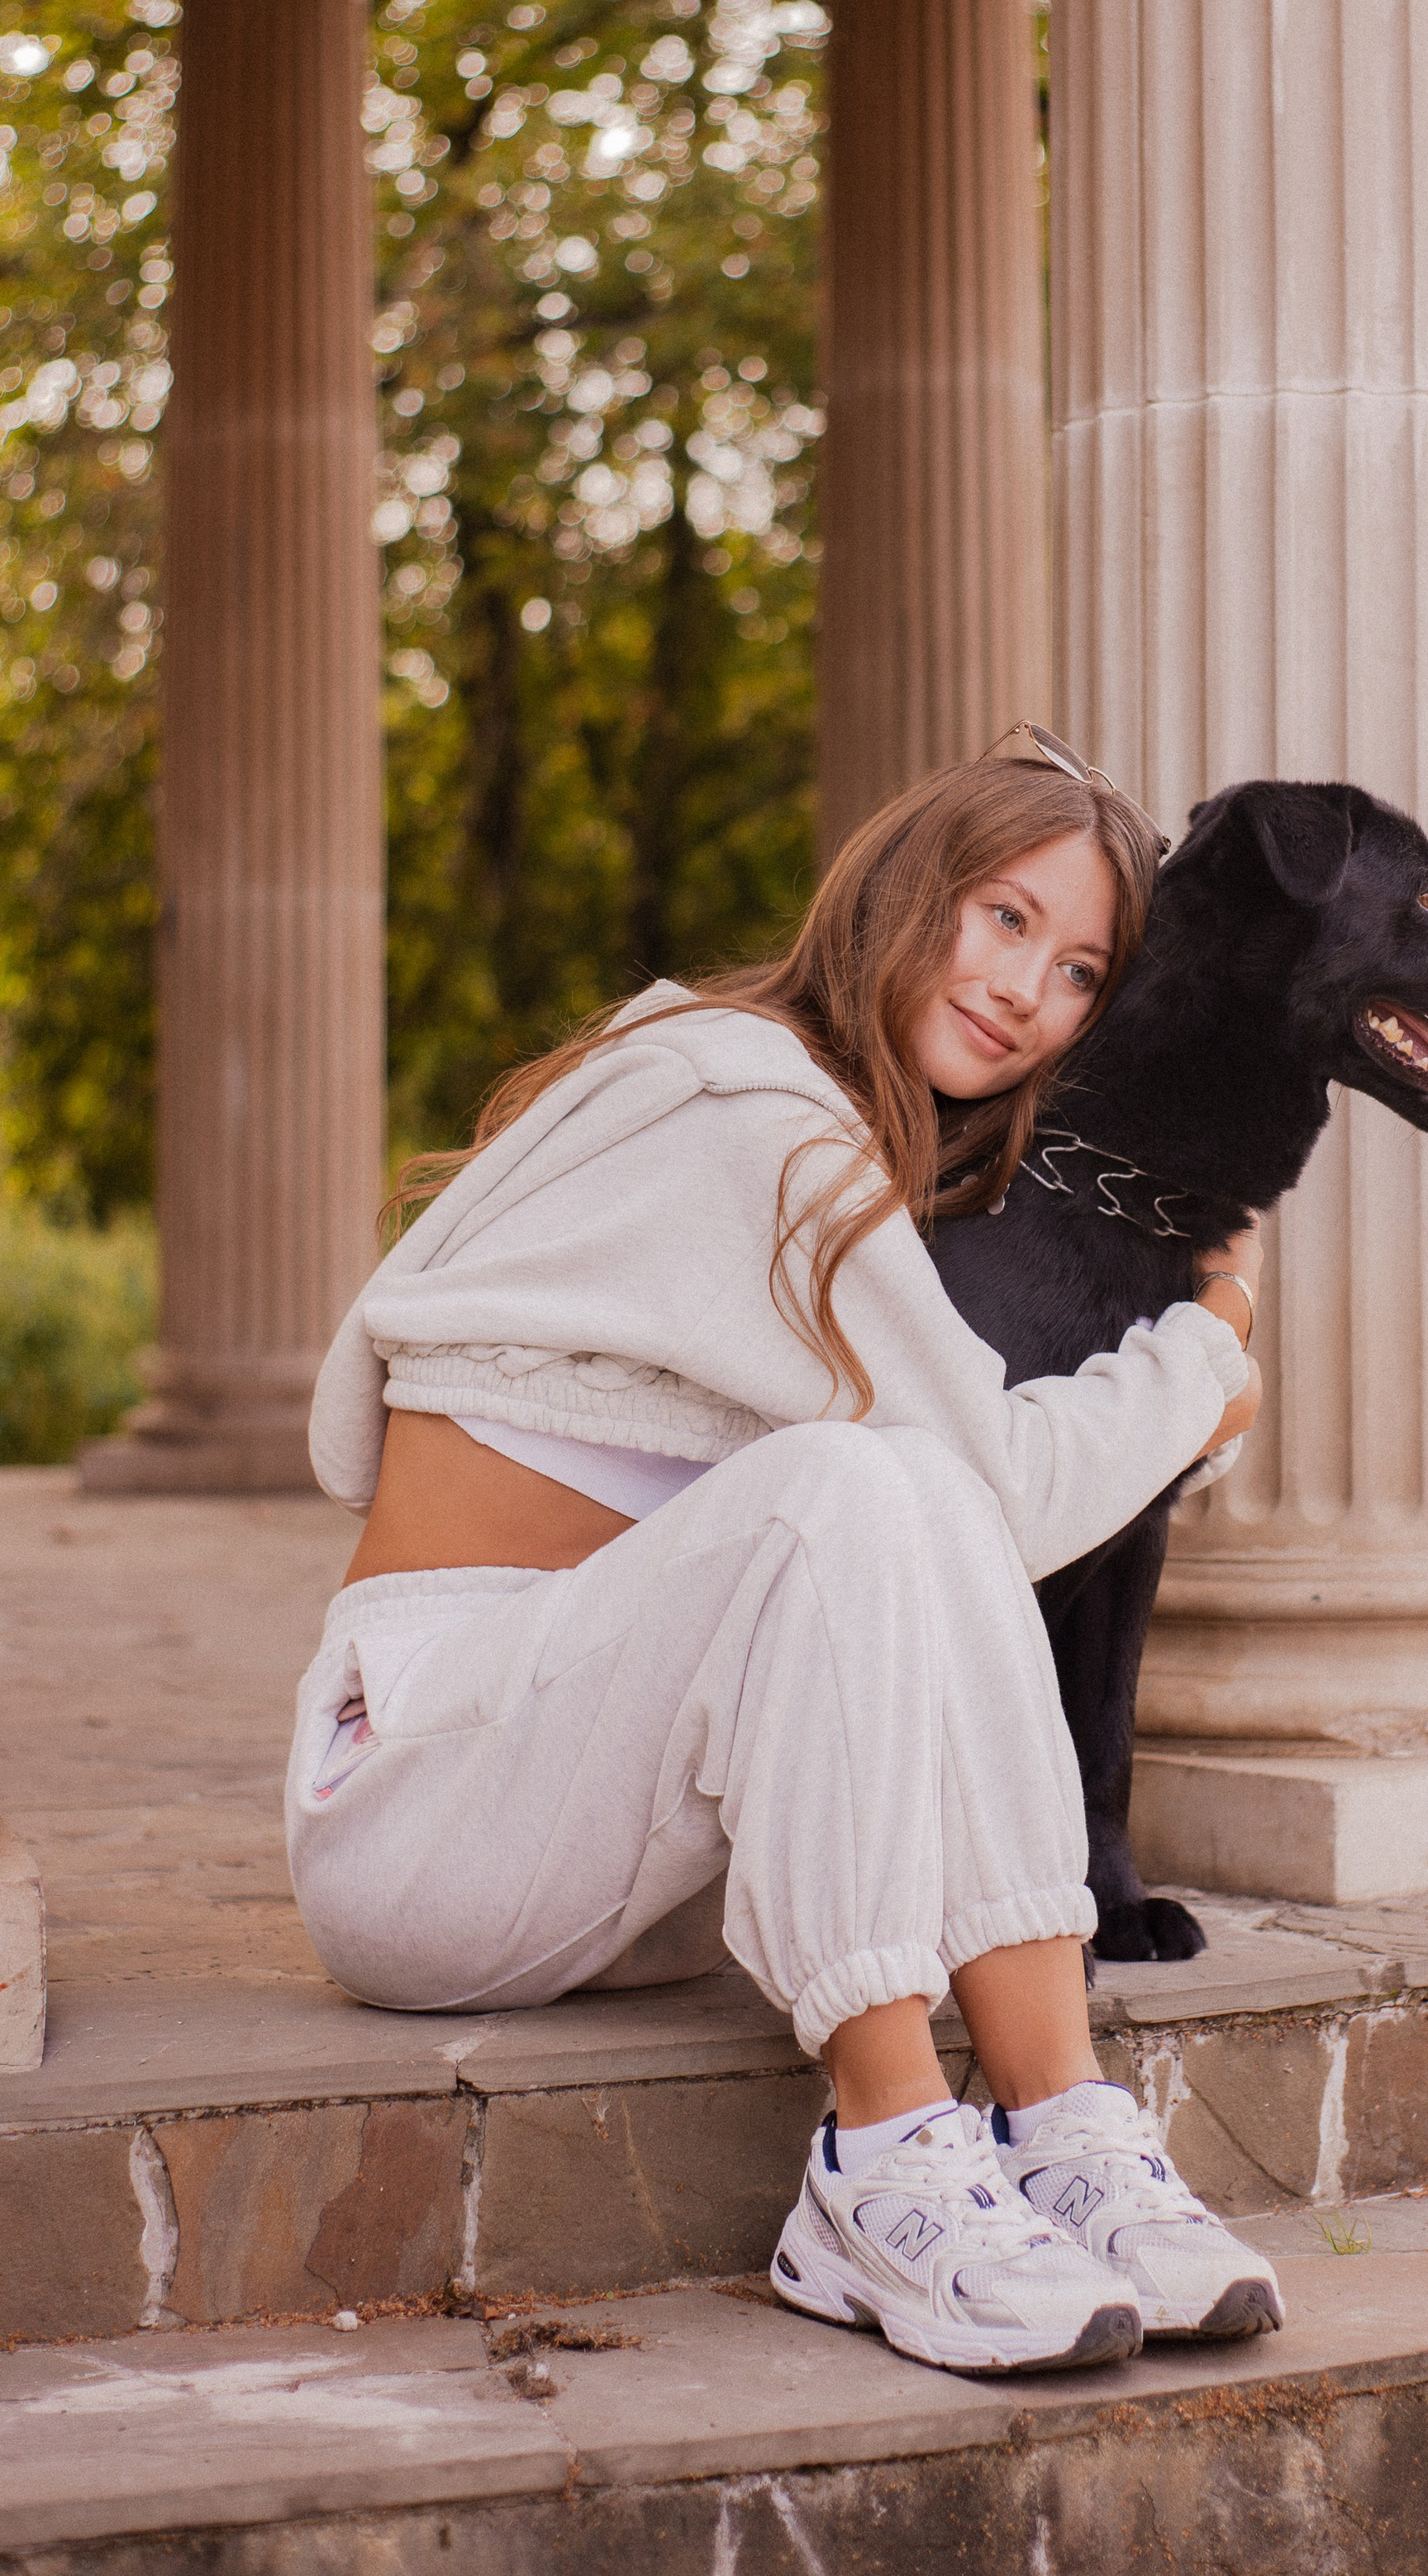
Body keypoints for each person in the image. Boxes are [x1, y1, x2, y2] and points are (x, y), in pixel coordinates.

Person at [290, 732, 1284, 2378]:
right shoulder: (744, 1107)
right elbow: (1003, 1491)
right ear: (907, 891)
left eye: (1080, 969)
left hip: (610, 1830)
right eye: (1001, 916)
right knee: (866, 1482)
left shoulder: (803, 1128)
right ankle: (880, 2156)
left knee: (888, 1494)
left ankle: (1064, 2129)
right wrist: (1209, 1337)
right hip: (420, 1816)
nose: (1028, 986)